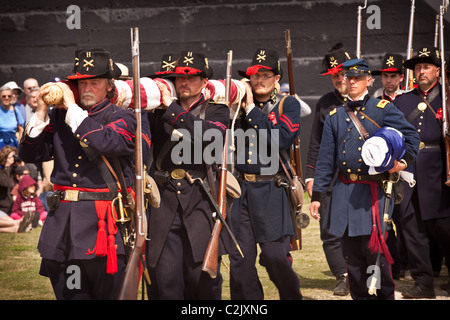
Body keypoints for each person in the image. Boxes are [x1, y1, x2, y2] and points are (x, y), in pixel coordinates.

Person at [19, 48, 142, 300]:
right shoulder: (60, 116)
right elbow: (31, 154)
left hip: (104, 229)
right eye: (81, 83)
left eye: (93, 83)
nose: (86, 88)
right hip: (62, 226)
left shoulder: (123, 117)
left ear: (109, 86)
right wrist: (41, 112)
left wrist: (72, 107)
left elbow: (106, 143)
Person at [309, 58, 420, 300]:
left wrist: (401, 163)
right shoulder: (335, 116)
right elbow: (326, 159)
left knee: (376, 257)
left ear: (369, 81)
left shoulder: (383, 109)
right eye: (348, 78)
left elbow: (411, 137)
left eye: (357, 78)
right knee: (352, 259)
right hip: (343, 194)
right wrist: (318, 196)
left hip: (373, 194)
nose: (351, 82)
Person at [145, 50, 231, 300]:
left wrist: (171, 110)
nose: (183, 82)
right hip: (164, 202)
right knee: (166, 278)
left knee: (202, 279)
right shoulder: (156, 112)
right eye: (180, 78)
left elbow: (209, 138)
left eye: (191, 78)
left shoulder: (217, 111)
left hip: (200, 201)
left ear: (205, 82)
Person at [228, 48, 302, 300]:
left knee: (274, 256)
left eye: (265, 75)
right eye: (254, 75)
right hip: (241, 191)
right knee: (240, 260)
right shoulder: (236, 107)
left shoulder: (287, 103)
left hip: (272, 189)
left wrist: (251, 110)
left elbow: (281, 139)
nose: (259, 80)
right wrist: (238, 105)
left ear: (276, 79)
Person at [392, 46, 450, 298]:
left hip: (439, 170)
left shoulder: (447, 98)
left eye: (426, 66)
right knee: (411, 229)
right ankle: (423, 282)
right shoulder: (403, 101)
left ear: (438, 70)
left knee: (444, 229)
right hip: (409, 169)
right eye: (417, 68)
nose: (421, 71)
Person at [304, 43, 352, 296]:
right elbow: (315, 144)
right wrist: (312, 178)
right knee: (330, 231)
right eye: (335, 75)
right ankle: (342, 276)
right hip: (330, 177)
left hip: (360, 177)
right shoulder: (325, 103)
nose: (339, 79)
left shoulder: (370, 102)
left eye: (343, 73)